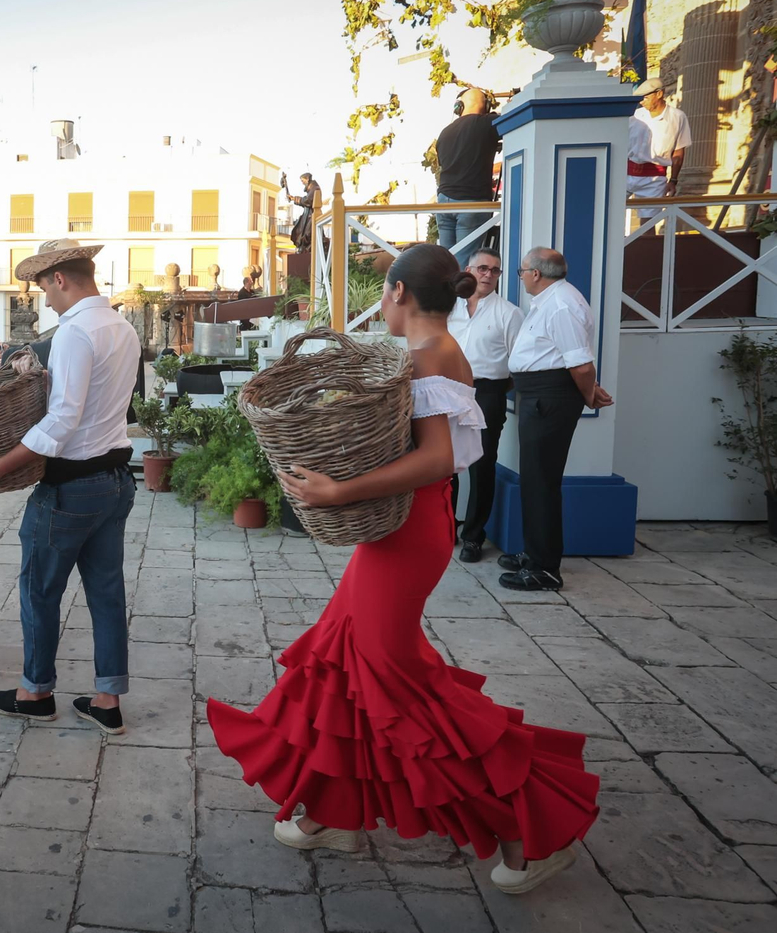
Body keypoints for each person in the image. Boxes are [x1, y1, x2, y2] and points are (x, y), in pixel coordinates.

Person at [206, 244, 599, 895]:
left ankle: (527, 828)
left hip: (407, 532)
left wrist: (337, 493)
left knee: (397, 687)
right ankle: (335, 814)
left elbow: (438, 459)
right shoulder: (431, 351)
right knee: (340, 660)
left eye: (382, 295)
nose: (379, 305)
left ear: (397, 292)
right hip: (402, 529)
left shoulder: (426, 357)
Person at [0, 241, 139, 734]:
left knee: (39, 591)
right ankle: (107, 700)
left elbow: (63, 420)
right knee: (107, 592)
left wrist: (1, 465)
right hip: (114, 480)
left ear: (61, 278)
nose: (44, 298)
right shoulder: (122, 328)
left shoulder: (74, 332)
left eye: (44, 286)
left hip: (71, 487)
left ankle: (35, 692)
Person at [500, 248, 613, 592]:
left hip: (549, 397)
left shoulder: (562, 305)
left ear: (535, 273)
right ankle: (535, 553)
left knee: (541, 482)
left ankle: (545, 567)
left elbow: (580, 363)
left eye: (521, 273)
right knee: (534, 479)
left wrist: (588, 392)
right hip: (539, 396)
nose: (521, 278)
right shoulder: (550, 301)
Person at [448, 248, 524, 563]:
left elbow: (518, 363)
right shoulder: (448, 309)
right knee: (444, 463)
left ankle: (474, 538)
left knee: (482, 465)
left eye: (495, 271)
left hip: (487, 392)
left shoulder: (509, 314)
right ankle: (444, 528)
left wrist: (489, 390)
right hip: (448, 390)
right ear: (469, 270)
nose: (488, 275)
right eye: (482, 268)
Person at [434, 88, 501, 254]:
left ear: (459, 107)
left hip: (444, 202)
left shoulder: (445, 133)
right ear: (485, 106)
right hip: (471, 202)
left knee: (446, 262)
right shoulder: (488, 123)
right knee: (464, 263)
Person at [627, 77, 692, 223]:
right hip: (626, 172)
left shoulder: (677, 117)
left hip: (654, 177)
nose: (642, 102)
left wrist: (673, 180)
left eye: (645, 97)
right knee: (607, 214)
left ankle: (647, 246)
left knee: (648, 224)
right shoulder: (634, 116)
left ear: (659, 94)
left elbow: (678, 152)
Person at [283, 172, 322, 252]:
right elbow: (306, 201)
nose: (302, 183)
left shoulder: (315, 188)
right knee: (301, 232)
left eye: (302, 180)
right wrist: (294, 198)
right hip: (308, 215)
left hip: (312, 216)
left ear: (307, 179)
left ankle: (306, 249)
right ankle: (303, 249)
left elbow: (308, 201)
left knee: (307, 234)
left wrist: (295, 199)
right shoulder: (312, 188)